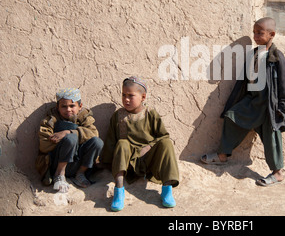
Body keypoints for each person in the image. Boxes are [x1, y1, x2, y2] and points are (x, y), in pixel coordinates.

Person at [201, 17, 285, 186]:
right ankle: (223, 155)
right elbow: (245, 80)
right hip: (252, 101)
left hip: (268, 105)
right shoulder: (253, 54)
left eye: (260, 32)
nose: (255, 36)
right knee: (232, 116)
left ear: (271, 34)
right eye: (254, 32)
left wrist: (284, 108)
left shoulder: (276, 57)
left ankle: (277, 172)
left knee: (271, 137)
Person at [100, 77, 179, 211]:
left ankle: (167, 189)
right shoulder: (118, 116)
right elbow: (110, 142)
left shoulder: (151, 114)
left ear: (143, 97)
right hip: (128, 163)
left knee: (166, 142)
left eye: (131, 95)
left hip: (149, 161)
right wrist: (105, 162)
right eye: (123, 95)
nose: (126, 99)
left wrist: (148, 147)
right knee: (122, 143)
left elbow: (163, 136)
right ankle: (119, 190)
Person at [36, 88, 104, 193]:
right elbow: (44, 145)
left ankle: (80, 173)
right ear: (57, 108)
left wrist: (68, 132)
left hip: (77, 163)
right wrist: (63, 140)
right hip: (56, 163)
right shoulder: (50, 120)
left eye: (72, 106)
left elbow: (94, 134)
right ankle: (59, 175)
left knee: (97, 142)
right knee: (71, 139)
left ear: (80, 107)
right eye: (64, 106)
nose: (68, 109)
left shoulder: (84, 117)